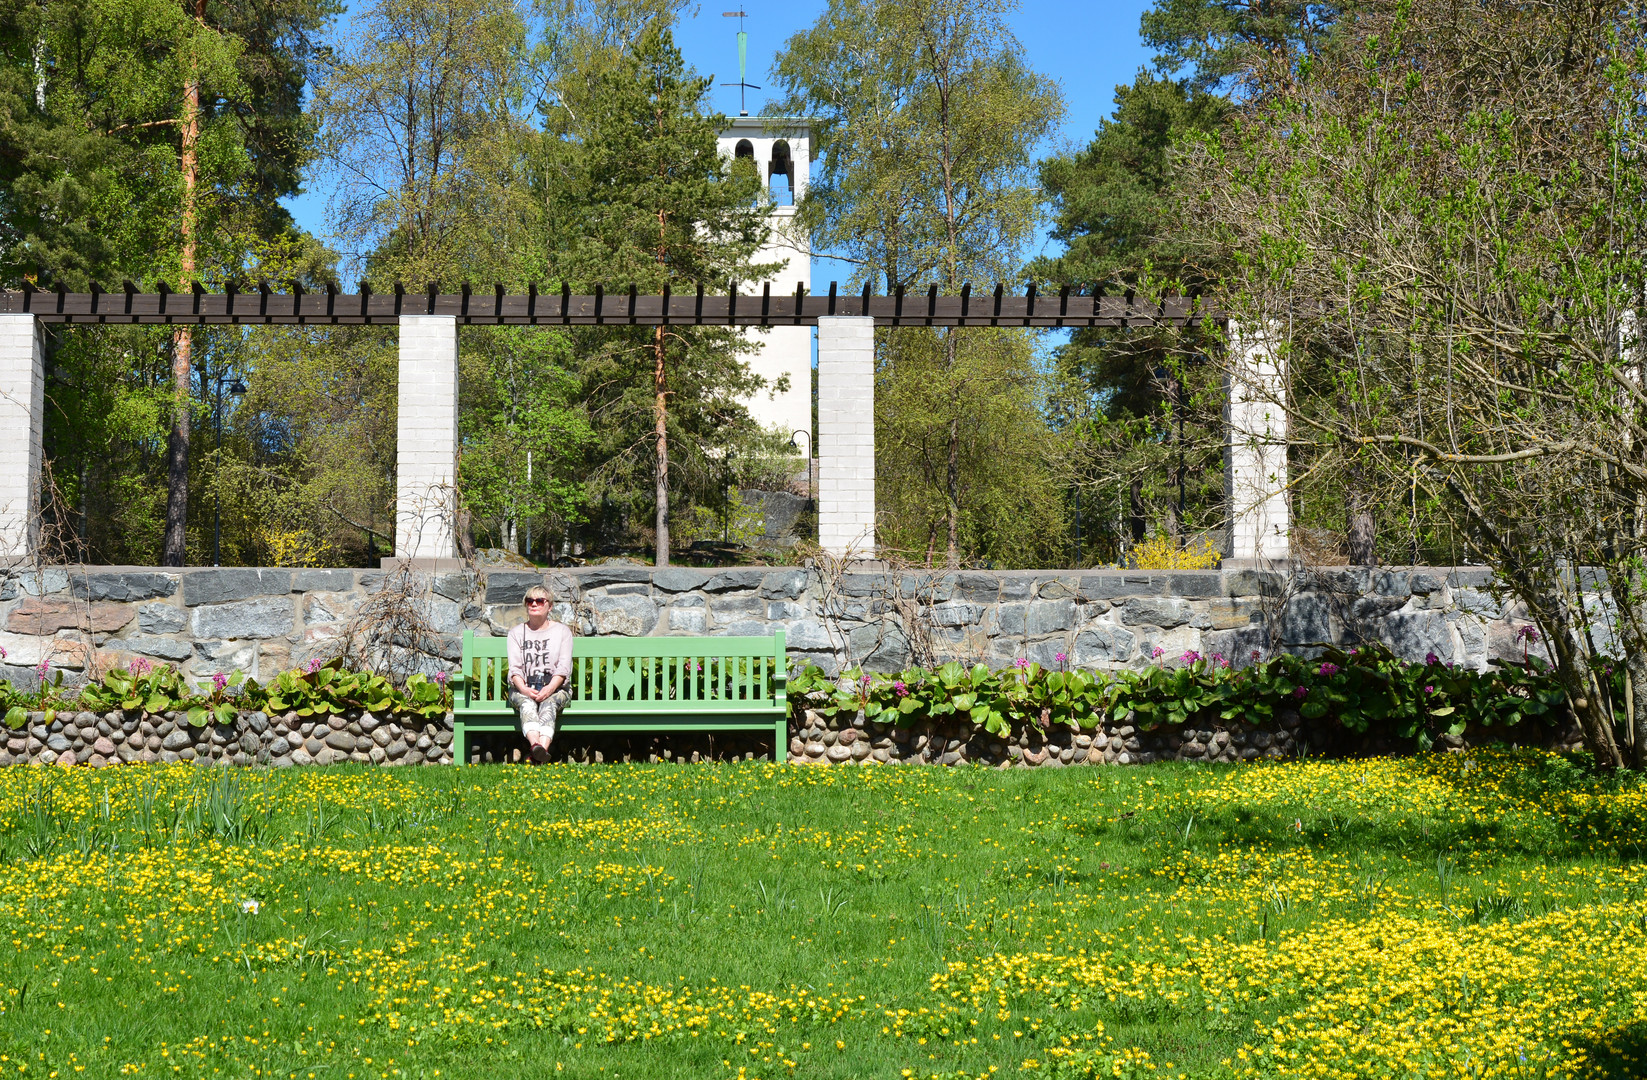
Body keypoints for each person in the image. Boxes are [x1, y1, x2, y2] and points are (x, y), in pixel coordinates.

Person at [507, 584, 573, 763]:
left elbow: (564, 668)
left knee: (549, 704)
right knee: (527, 704)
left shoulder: (562, 632)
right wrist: (525, 689)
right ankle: (538, 749)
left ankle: (538, 751)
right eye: (530, 601)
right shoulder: (516, 633)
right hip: (523, 687)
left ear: (549, 606)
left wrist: (550, 688)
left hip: (556, 688)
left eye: (539, 601)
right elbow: (515, 669)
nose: (534, 604)